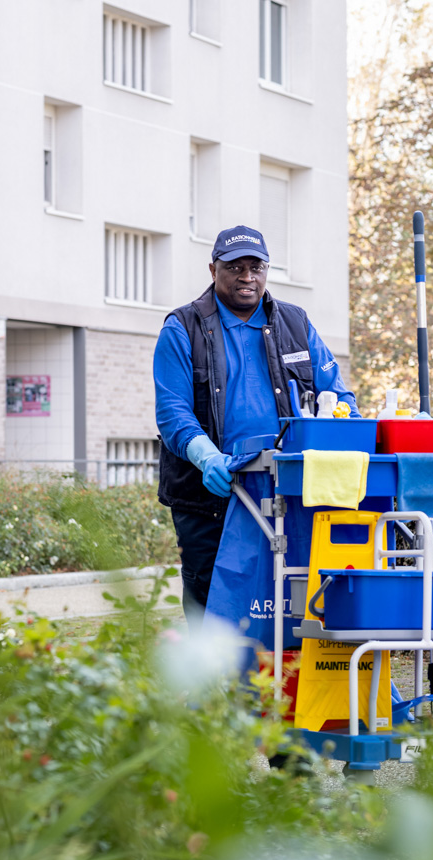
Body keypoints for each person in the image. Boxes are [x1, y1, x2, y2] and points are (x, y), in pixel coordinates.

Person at [153, 225, 355, 618]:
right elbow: (173, 411)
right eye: (235, 267)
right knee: (212, 604)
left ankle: (279, 662)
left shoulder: (295, 324)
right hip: (210, 496)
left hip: (289, 493)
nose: (247, 276)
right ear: (213, 269)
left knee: (287, 603)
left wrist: (342, 430)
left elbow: (339, 398)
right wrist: (206, 457)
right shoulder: (182, 328)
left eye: (256, 267)